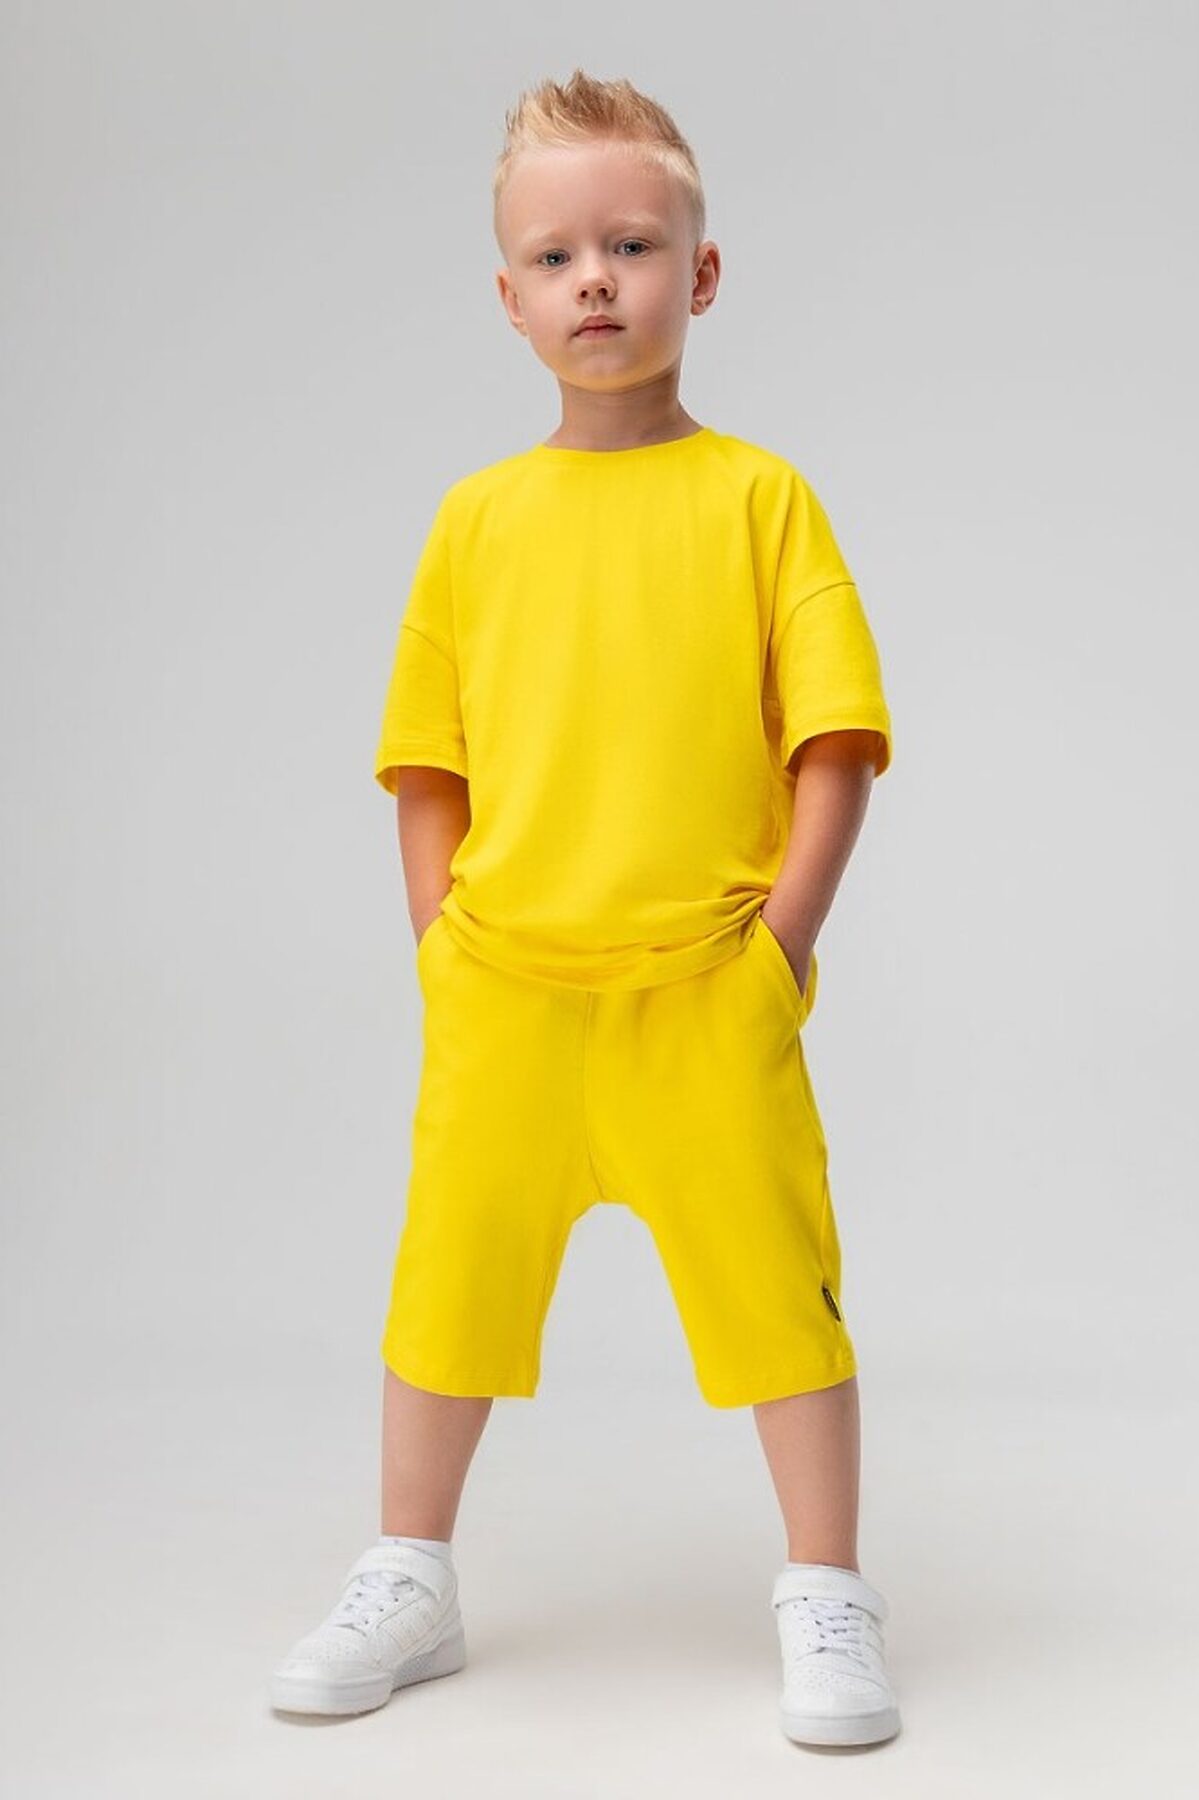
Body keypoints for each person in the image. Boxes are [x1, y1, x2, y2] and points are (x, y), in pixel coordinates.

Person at [270, 67, 901, 1750]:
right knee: (447, 1289)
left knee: (778, 1295)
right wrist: (445, 954)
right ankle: (411, 1570)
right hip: (511, 999)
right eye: (555, 257)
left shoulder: (762, 500)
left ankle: (827, 1588)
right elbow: (427, 766)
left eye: (632, 244)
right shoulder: (476, 521)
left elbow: (835, 743)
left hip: (708, 995)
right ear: (509, 298)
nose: (596, 281)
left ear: (702, 271)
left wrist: (779, 949)